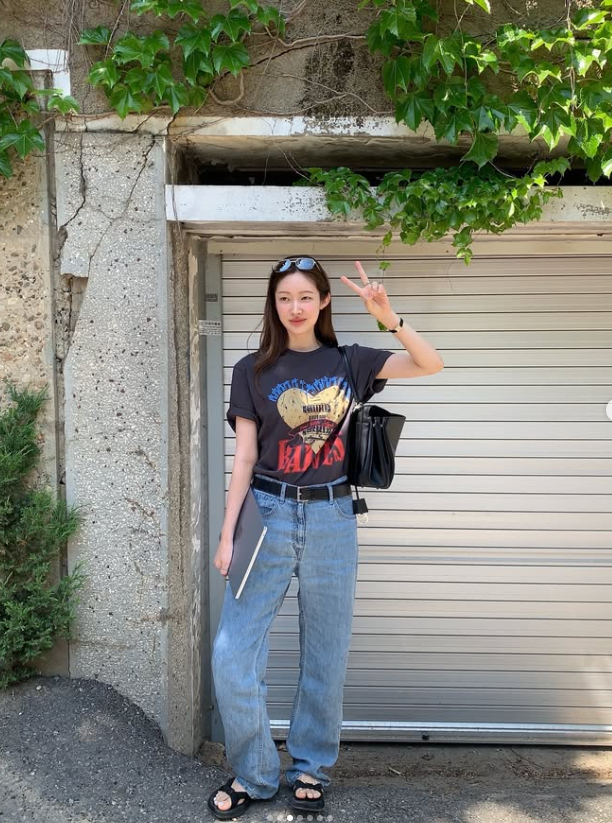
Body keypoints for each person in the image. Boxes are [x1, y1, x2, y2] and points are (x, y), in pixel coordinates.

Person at [207, 256, 444, 820]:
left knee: (325, 653)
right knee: (232, 653)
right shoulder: (251, 369)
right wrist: (227, 533)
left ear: (323, 302)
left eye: (305, 297)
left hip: (333, 518)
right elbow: (245, 457)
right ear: (274, 304)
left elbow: (429, 363)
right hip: (267, 513)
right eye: (284, 298)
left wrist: (388, 316)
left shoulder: (349, 361)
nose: (295, 308)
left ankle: (310, 767)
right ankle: (255, 772)